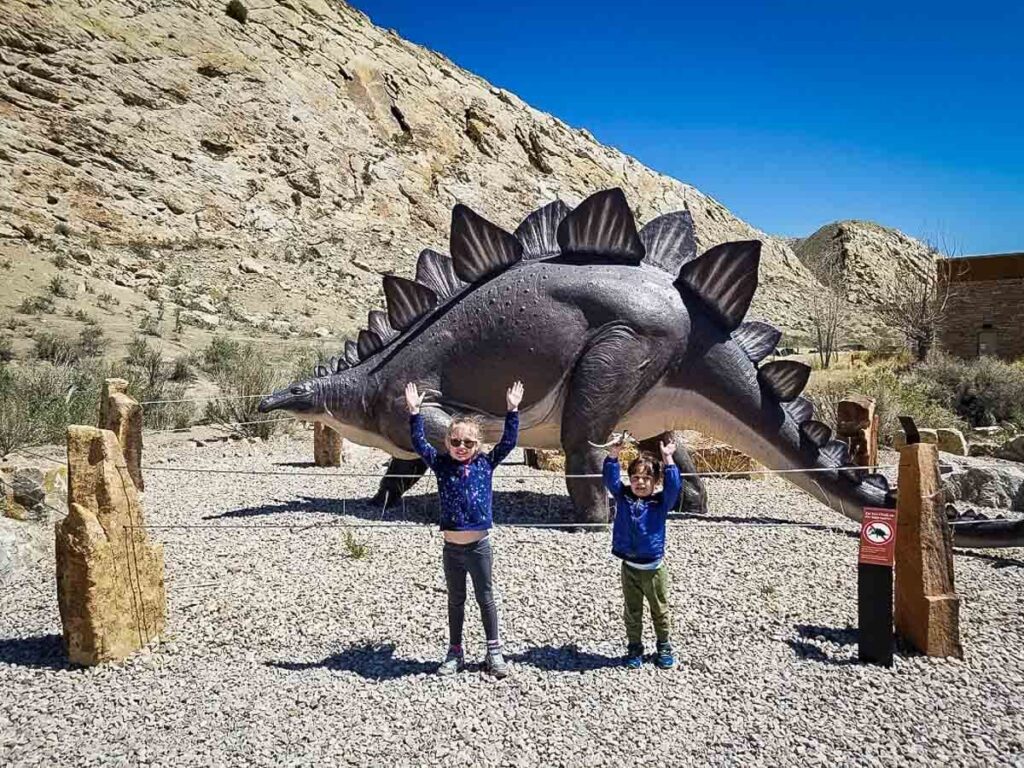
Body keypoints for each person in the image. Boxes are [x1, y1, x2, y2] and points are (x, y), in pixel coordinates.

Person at [405, 380, 524, 678]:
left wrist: (512, 410)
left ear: (479, 445)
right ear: (447, 443)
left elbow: (508, 443)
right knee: (455, 599)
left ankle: (494, 651)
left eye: (468, 443)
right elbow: (419, 443)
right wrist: (414, 412)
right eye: (455, 442)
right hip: (452, 548)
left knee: (486, 597)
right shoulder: (441, 464)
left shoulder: (485, 463)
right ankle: (455, 651)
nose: (461, 447)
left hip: (479, 546)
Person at [603, 438, 682, 669]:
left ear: (655, 482)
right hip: (629, 568)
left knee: (659, 610)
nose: (640, 482)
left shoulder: (660, 502)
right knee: (632, 610)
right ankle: (634, 647)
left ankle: (664, 645)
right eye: (636, 477)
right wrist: (613, 456)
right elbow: (610, 480)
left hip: (653, 570)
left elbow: (674, 488)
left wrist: (668, 459)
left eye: (647, 478)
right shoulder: (623, 496)